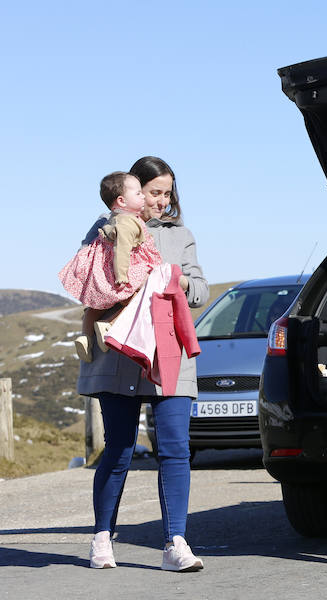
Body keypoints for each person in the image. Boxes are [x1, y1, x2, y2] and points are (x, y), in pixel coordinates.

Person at [78, 156, 209, 572]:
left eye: (168, 193)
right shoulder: (104, 228)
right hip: (118, 356)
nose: (162, 201)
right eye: (154, 192)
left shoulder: (182, 234)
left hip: (169, 356)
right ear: (132, 193)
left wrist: (178, 279)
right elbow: (88, 283)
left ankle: (176, 543)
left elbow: (201, 290)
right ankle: (102, 538)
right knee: (117, 450)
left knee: (175, 450)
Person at [58, 172, 162, 362]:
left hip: (102, 270)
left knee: (95, 305)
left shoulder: (113, 218)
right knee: (142, 292)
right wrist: (122, 276)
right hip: (120, 269)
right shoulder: (129, 222)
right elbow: (122, 250)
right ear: (122, 201)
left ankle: (85, 336)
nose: (143, 197)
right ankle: (108, 325)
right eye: (138, 193)